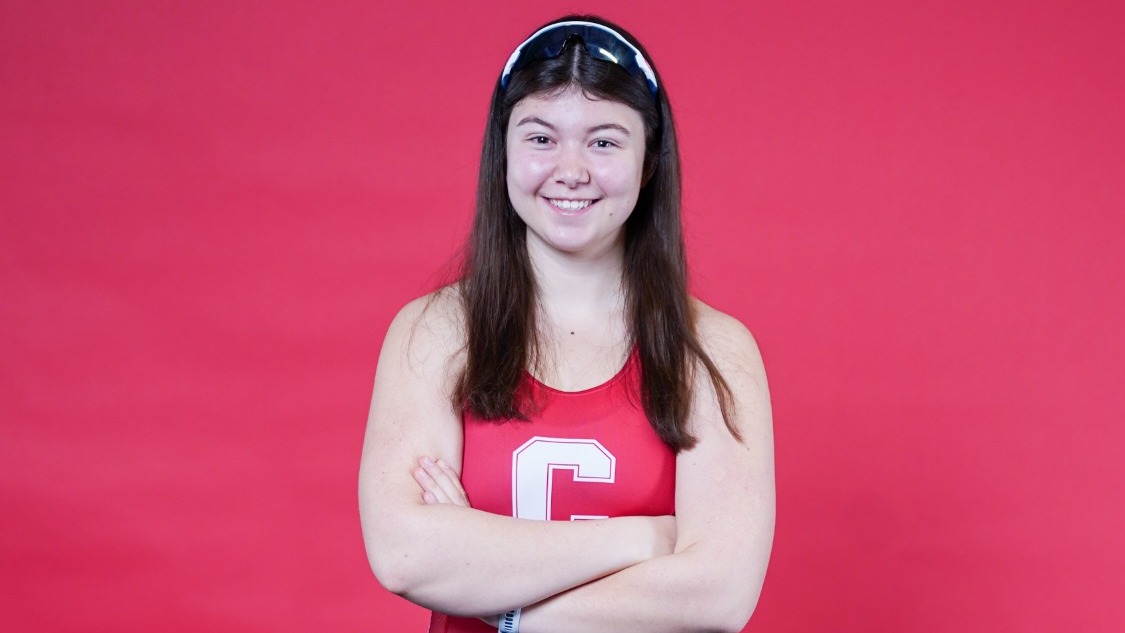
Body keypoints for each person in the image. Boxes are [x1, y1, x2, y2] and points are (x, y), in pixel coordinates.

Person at [359, 15, 774, 633]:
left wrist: (494, 597)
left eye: (604, 142)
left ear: (649, 161)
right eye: (541, 138)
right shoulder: (436, 333)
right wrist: (643, 540)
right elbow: (405, 555)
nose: (571, 170)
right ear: (503, 152)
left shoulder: (712, 350)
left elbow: (718, 595)